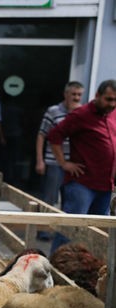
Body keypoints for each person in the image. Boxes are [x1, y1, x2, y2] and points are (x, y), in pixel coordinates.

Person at [47, 79, 116, 255]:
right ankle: (56, 271)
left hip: (106, 185)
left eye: (115, 100)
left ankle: (89, 273)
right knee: (70, 231)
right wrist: (64, 163)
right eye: (108, 99)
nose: (112, 104)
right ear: (97, 96)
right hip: (82, 184)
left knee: (99, 233)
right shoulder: (81, 115)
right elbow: (54, 136)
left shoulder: (113, 113)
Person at [34, 81, 84, 240]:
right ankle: (43, 230)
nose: (76, 97)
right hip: (53, 161)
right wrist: (40, 160)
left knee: (69, 199)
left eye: (79, 95)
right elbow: (42, 135)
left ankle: (63, 232)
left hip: (74, 164)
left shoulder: (83, 112)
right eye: (73, 94)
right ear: (65, 94)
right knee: (49, 198)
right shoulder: (53, 111)